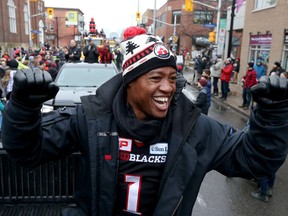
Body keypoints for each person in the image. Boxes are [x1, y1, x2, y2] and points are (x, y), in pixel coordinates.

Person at [2, 26, 288, 216]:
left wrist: (273, 115)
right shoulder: (92, 119)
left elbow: (255, 161)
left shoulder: (194, 127)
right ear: (130, 83)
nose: (167, 87)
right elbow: (26, 151)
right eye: (155, 78)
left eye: (172, 78)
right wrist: (23, 107)